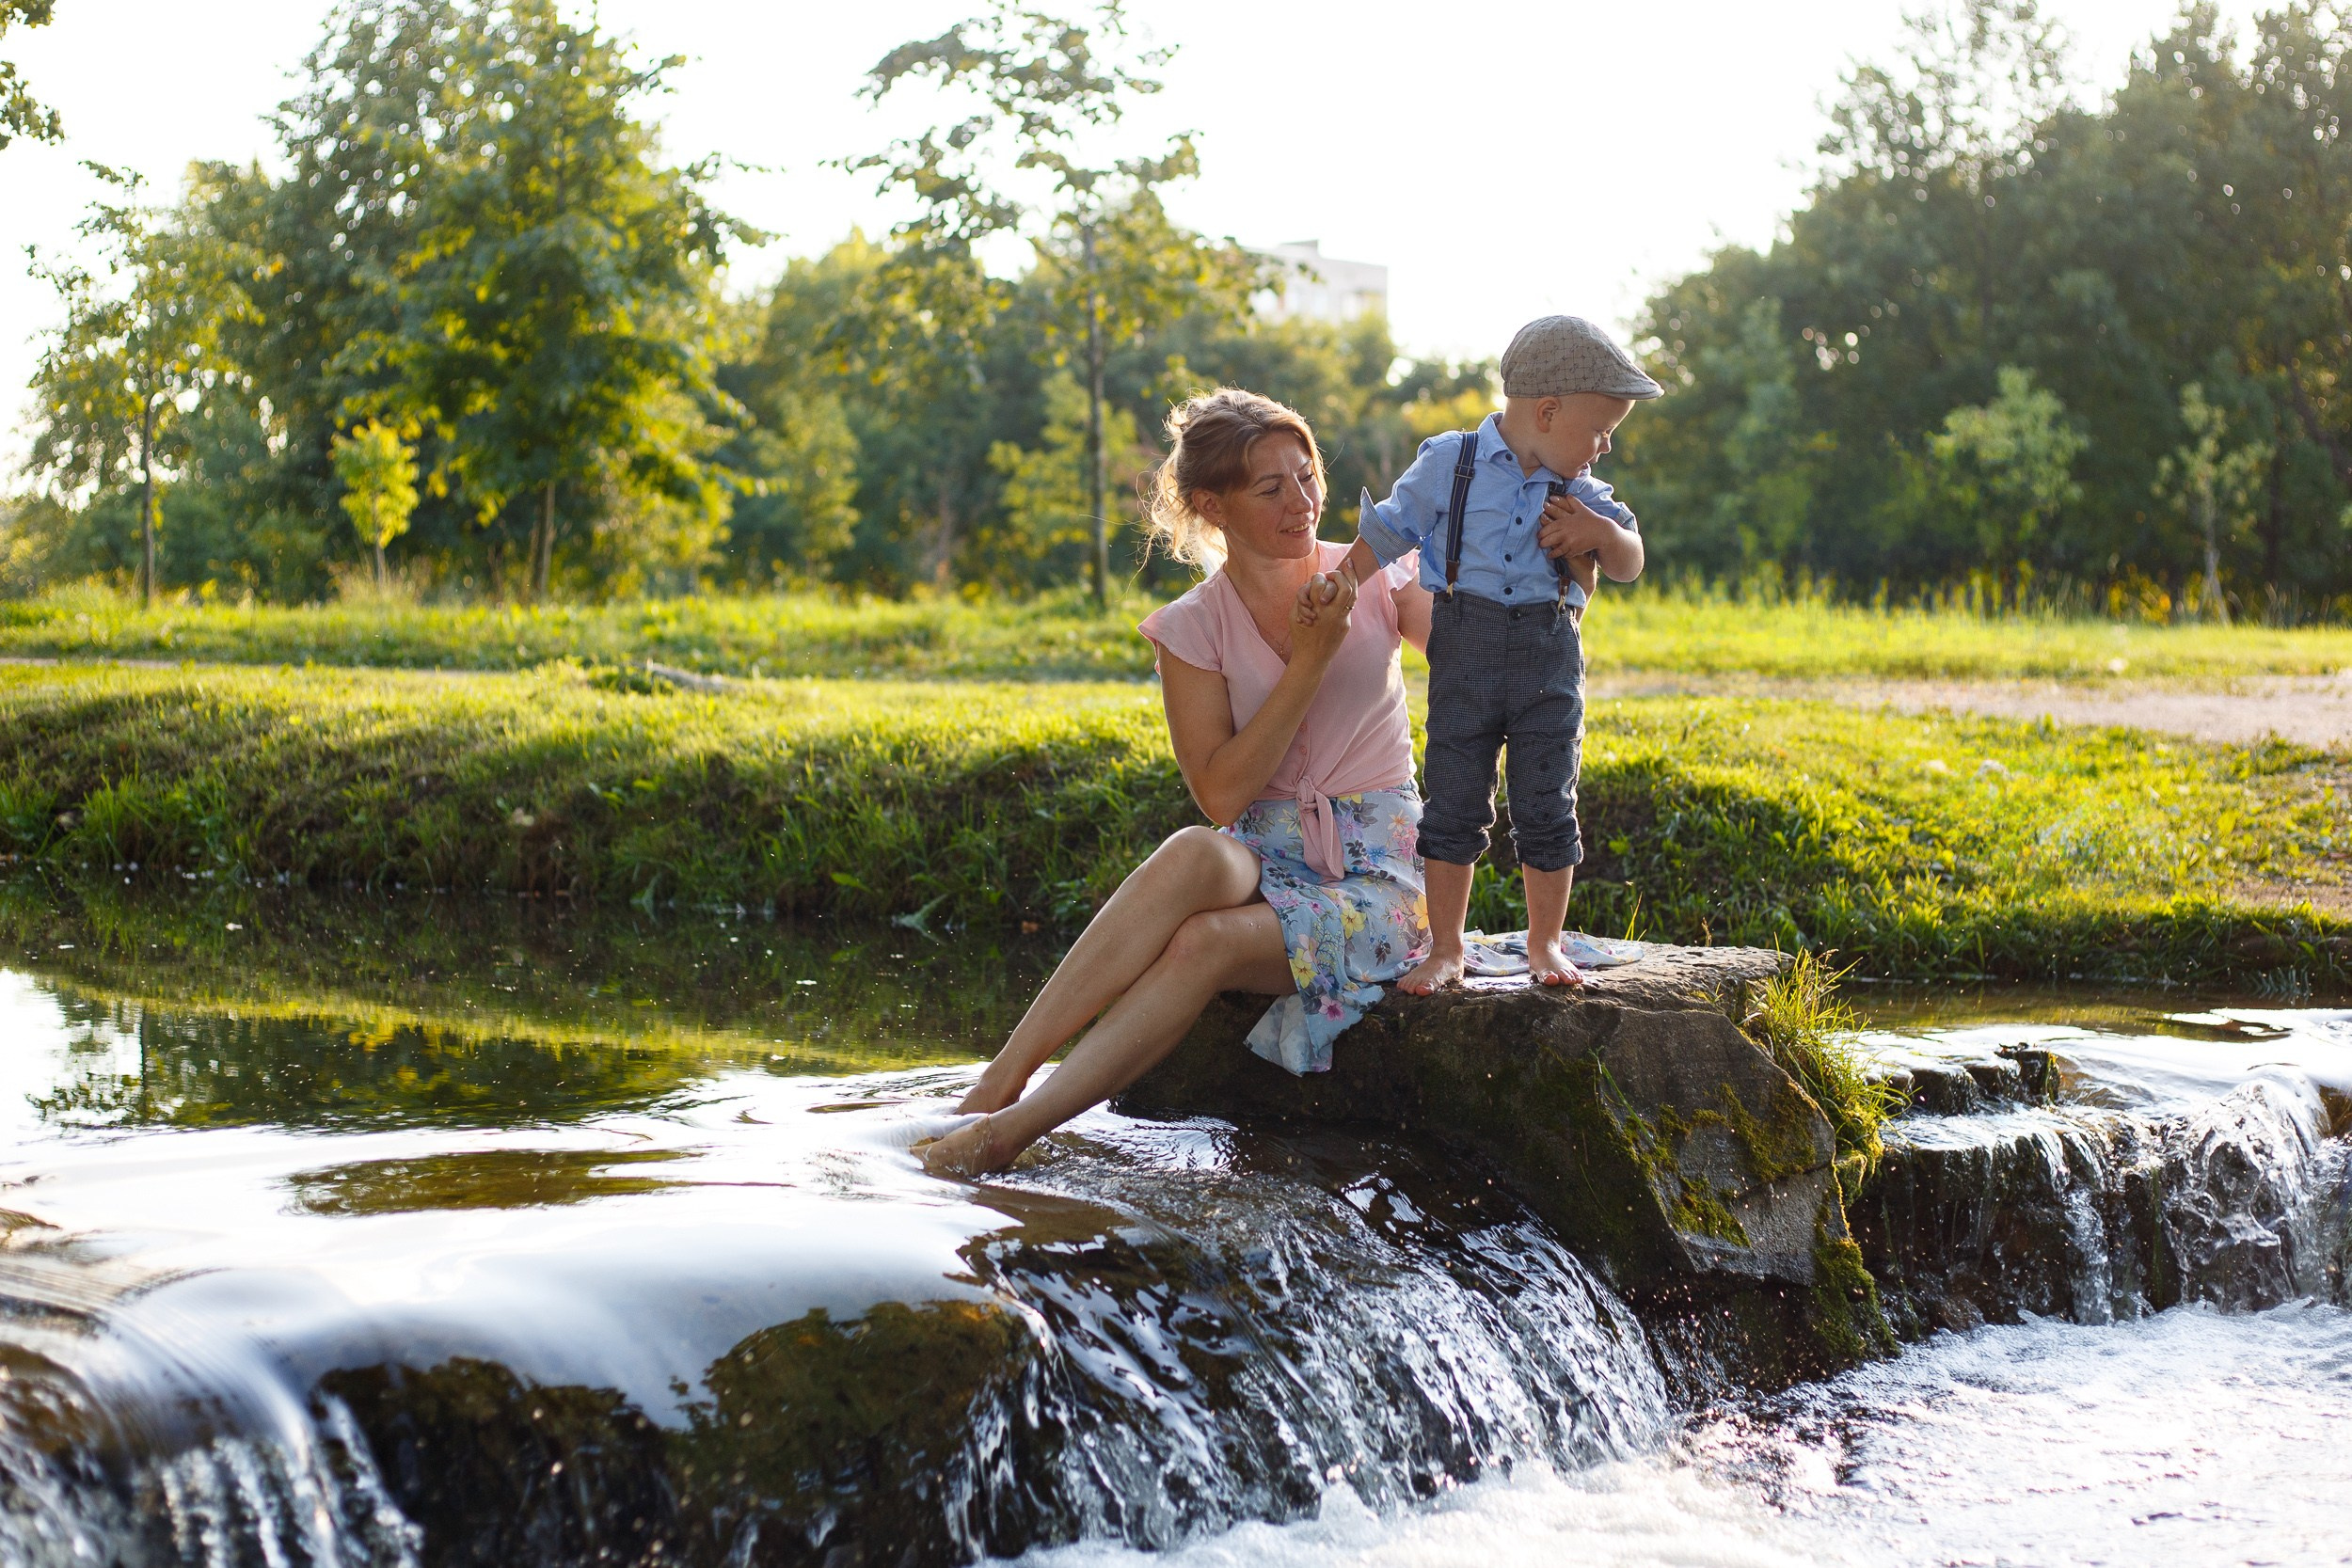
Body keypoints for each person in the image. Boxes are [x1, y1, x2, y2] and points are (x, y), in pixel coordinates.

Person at [916, 388, 1433, 1178]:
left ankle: (1009, 1133)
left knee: (1205, 941)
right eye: (1272, 488)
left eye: (1307, 476)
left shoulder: (1377, 573)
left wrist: (1551, 565)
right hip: (1264, 851)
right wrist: (1308, 661)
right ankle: (997, 1083)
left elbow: (1479, 654)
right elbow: (1223, 797)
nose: (1302, 502)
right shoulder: (1192, 627)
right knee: (1195, 847)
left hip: (1381, 878)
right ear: (1212, 506)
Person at [1318, 315, 1658, 993]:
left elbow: (1630, 560)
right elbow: (1390, 528)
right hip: (1464, 654)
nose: (1606, 446)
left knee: (1546, 802)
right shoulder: (1453, 463)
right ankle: (1446, 947)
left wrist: (1599, 534)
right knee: (1452, 802)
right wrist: (1343, 581)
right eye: (1601, 430)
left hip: (1547, 659)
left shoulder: (1580, 493)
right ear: (1548, 412)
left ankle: (1545, 941)